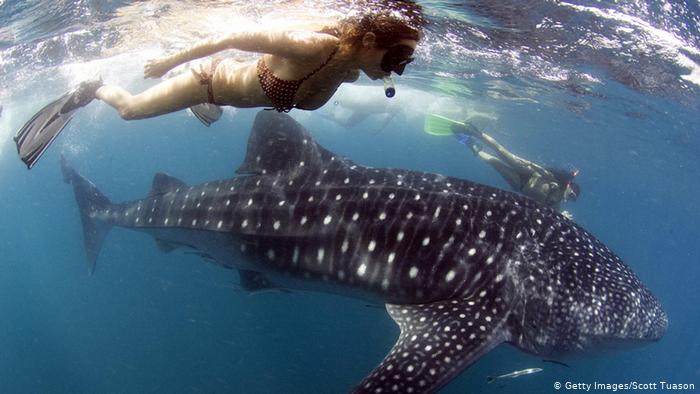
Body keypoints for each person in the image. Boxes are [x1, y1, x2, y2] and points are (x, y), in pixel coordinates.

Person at [14, 1, 425, 169]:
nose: (399, 70)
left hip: (238, 91)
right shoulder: (313, 47)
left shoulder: (352, 69)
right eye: (397, 58)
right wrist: (169, 60)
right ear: (369, 41)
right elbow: (233, 36)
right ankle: (93, 86)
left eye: (406, 62)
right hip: (207, 83)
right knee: (130, 110)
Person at [424, 114, 580, 214]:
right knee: (499, 149)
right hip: (528, 171)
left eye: (572, 199)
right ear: (570, 186)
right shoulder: (557, 183)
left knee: (492, 161)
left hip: (520, 185)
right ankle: (472, 130)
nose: (570, 197)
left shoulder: (557, 205)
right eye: (573, 193)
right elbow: (542, 170)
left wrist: (563, 217)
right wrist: (526, 162)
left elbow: (553, 215)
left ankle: (471, 144)